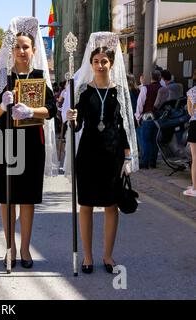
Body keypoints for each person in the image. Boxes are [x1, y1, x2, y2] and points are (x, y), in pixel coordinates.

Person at [0, 16, 58, 269]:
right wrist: (3, 106)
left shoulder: (39, 77)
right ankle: (9, 247)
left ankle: (25, 248)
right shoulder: (3, 77)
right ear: (11, 50)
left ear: (34, 51)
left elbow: (51, 110)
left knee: (27, 198)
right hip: (5, 143)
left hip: (31, 144)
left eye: (26, 47)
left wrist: (31, 112)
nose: (22, 51)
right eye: (18, 47)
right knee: (7, 198)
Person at [66, 32, 138, 274]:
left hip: (112, 155)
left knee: (110, 206)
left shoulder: (119, 92)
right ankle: (87, 257)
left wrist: (127, 156)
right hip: (88, 155)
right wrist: (71, 119)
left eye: (104, 61)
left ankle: (107, 255)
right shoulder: (84, 92)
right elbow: (77, 126)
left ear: (111, 63)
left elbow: (124, 125)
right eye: (96, 61)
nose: (99, 65)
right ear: (91, 64)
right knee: (85, 206)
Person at [135, 70, 162, 169]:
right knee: (155, 140)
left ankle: (145, 162)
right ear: (159, 78)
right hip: (159, 118)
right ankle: (153, 162)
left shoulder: (145, 88)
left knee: (146, 140)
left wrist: (138, 116)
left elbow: (140, 104)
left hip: (147, 117)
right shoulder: (163, 88)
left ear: (151, 78)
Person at [183, 69, 196, 197]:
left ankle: (194, 188)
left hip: (195, 124)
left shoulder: (191, 92)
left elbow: (190, 112)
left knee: (195, 157)